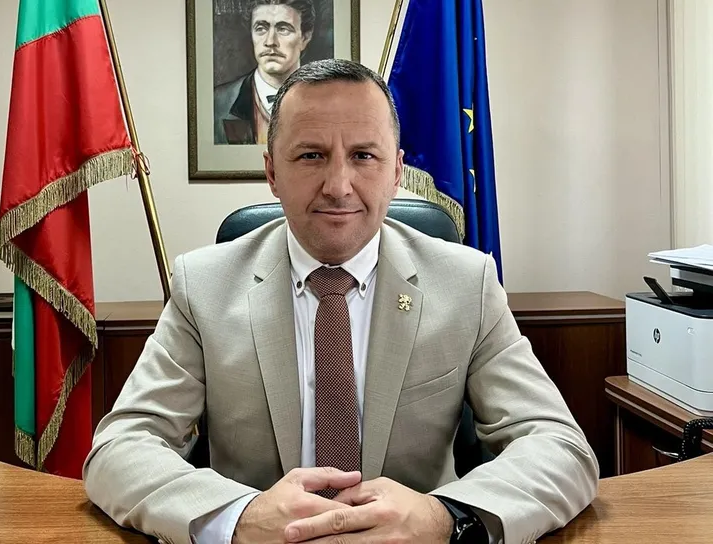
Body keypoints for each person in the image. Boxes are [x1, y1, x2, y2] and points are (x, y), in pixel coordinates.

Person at [84, 59, 599, 544]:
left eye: (363, 156)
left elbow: (560, 447)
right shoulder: (204, 285)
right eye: (311, 155)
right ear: (271, 172)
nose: (338, 186)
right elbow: (120, 447)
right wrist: (239, 518)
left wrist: (445, 519)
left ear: (396, 171)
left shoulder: (467, 283)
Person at [214, 0, 314, 145]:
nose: (270, 41)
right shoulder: (219, 102)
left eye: (283, 29)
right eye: (261, 28)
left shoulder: (326, 100)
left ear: (305, 37)